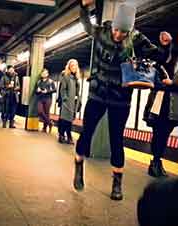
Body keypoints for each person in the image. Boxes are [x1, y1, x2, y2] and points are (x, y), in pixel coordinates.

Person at [73, 0, 172, 200]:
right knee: (87, 132)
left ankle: (117, 183)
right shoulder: (102, 32)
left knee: (116, 139)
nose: (118, 35)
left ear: (130, 30)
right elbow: (86, 25)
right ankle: (78, 164)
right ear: (114, 26)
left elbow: (159, 57)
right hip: (97, 94)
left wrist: (166, 45)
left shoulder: (136, 38)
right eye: (117, 30)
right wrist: (84, 6)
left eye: (123, 32)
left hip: (121, 98)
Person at [144, 32, 178, 178]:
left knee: (164, 132)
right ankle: (155, 162)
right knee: (159, 131)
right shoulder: (163, 57)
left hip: (172, 101)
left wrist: (173, 83)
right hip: (161, 99)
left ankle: (156, 162)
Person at [58, 59, 81, 144]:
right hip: (67, 102)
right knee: (65, 119)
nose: (74, 67)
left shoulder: (76, 78)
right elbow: (63, 89)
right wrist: (65, 99)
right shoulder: (66, 76)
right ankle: (62, 135)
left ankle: (67, 136)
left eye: (75, 65)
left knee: (70, 120)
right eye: (72, 65)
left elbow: (77, 91)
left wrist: (78, 100)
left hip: (73, 102)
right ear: (69, 67)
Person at [36, 68, 56, 133]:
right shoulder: (39, 82)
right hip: (40, 98)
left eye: (45, 73)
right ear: (41, 74)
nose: (44, 74)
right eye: (43, 73)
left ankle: (44, 128)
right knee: (40, 111)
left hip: (48, 99)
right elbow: (36, 92)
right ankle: (50, 123)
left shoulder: (51, 81)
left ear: (47, 74)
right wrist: (37, 91)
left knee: (46, 113)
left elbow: (55, 90)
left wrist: (47, 91)